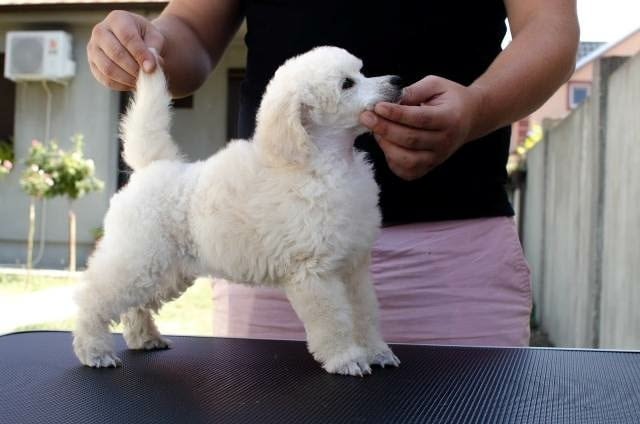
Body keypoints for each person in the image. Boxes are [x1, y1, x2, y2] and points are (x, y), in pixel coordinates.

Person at [87, 0, 579, 346]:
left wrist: (476, 109)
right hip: (269, 252)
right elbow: (190, 28)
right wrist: (148, 49)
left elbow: (550, 28)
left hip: (453, 261)